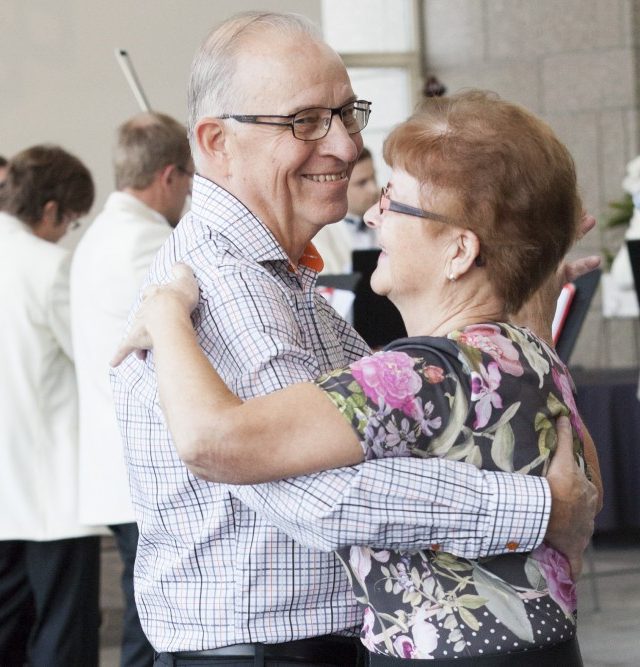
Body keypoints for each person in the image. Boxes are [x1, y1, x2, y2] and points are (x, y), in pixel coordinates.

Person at [111, 12, 598, 667]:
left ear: (462, 249)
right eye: (306, 121)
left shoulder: (290, 286)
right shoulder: (224, 286)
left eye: (347, 114)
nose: (344, 146)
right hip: (268, 654)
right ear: (216, 142)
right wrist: (542, 508)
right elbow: (316, 495)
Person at [70, 112, 193, 666]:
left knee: (146, 627)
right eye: (189, 179)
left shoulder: (100, 235)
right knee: (154, 631)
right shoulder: (150, 243)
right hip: (145, 466)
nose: (190, 193)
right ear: (169, 175)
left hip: (114, 466)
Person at [0, 145, 102, 665]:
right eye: (72, 221)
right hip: (50, 494)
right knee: (64, 637)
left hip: (7, 493)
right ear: (50, 210)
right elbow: (92, 357)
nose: (67, 233)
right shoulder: (51, 266)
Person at [313, 146, 378, 273]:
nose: (374, 189)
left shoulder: (391, 219)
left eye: (373, 177)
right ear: (338, 185)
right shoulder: (319, 235)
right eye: (362, 183)